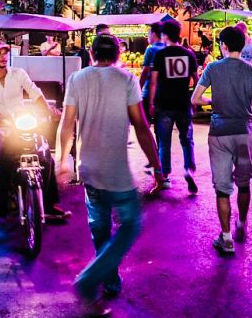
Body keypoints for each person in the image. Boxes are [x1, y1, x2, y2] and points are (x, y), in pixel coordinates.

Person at [58, 34, 163, 315]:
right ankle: (91, 278)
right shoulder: (126, 79)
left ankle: (110, 278)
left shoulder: (77, 79)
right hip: (116, 171)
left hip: (89, 169)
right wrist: (156, 165)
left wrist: (61, 160)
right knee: (130, 225)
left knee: (100, 227)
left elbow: (66, 124)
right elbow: (141, 126)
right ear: (118, 54)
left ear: (91, 53)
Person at [0, 40, 69, 227]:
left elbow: (35, 93)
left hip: (21, 123)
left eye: (5, 52)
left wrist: (48, 110)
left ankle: (49, 204)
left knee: (45, 153)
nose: (4, 56)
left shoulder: (18, 74)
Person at [191, 26, 252, 254]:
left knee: (222, 188)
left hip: (219, 133)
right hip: (245, 132)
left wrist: (213, 101)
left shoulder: (213, 68)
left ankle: (225, 238)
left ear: (223, 45)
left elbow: (195, 99)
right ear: (242, 45)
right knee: (244, 183)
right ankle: (241, 224)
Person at [148, 20, 199, 193]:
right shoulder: (189, 54)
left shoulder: (160, 55)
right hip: (183, 103)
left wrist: (151, 103)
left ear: (165, 35)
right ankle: (188, 169)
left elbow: (153, 82)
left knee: (164, 142)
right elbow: (196, 79)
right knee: (186, 140)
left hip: (164, 104)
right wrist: (194, 100)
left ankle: (165, 176)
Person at [139, 22, 165, 125]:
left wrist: (138, 87)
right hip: (163, 93)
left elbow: (145, 72)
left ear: (153, 34)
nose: (147, 37)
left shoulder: (151, 49)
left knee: (145, 124)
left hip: (149, 92)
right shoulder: (167, 48)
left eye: (148, 33)